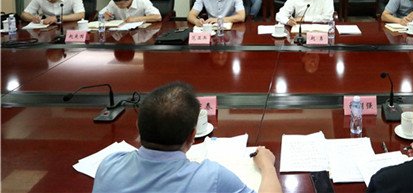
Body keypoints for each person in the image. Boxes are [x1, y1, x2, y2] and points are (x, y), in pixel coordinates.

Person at [92, 82, 282, 193]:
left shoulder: (108, 165)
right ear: (192, 136)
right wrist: (267, 166)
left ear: (138, 126)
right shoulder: (212, 177)